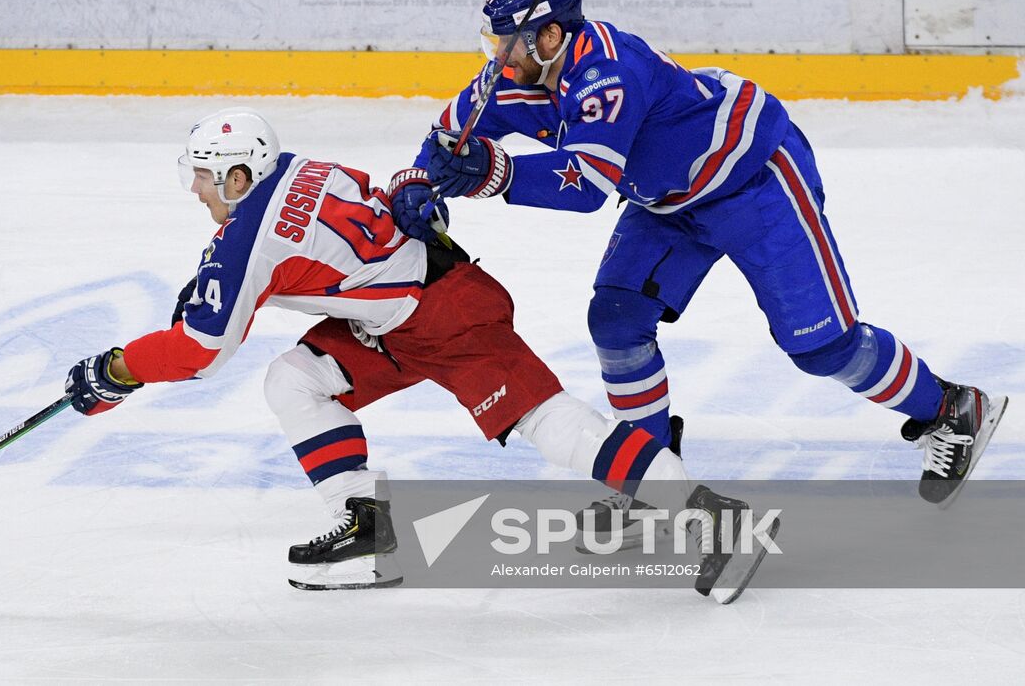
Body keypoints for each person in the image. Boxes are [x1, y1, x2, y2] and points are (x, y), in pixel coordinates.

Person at [63, 106, 769, 600]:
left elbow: (200, 352)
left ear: (241, 177)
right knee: (296, 379)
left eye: (206, 175)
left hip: (447, 316)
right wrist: (219, 280)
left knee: (549, 423)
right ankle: (367, 527)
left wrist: (117, 370)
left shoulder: (247, 239)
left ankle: (712, 515)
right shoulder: (305, 167)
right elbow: (336, 237)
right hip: (402, 310)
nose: (196, 188)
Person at [398, 0, 1007, 521]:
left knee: (823, 348)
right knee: (615, 320)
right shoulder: (507, 75)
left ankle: (949, 407)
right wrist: (417, 183)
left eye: (507, 41)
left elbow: (584, 187)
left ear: (550, 36)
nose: (495, 55)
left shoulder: (608, 72)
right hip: (664, 198)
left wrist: (494, 172)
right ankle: (653, 479)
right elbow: (447, 135)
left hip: (752, 181)